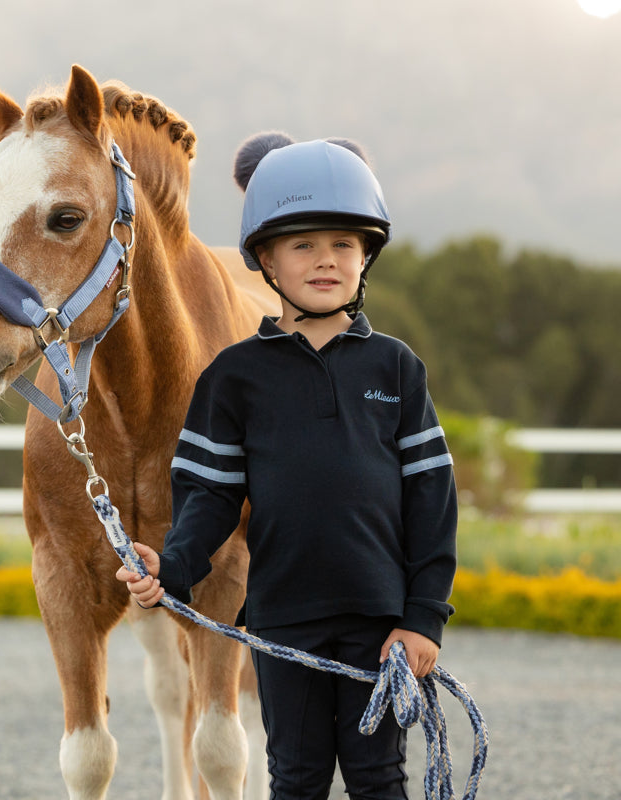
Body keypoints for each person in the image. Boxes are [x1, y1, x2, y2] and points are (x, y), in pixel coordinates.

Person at [116, 133, 457, 800]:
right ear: (265, 258)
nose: (326, 260)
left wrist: (423, 619)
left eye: (344, 244)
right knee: (295, 778)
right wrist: (173, 566)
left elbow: (432, 501)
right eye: (303, 244)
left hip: (379, 625)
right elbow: (208, 496)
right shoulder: (235, 377)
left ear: (367, 257)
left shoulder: (397, 369)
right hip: (280, 624)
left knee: (378, 778)